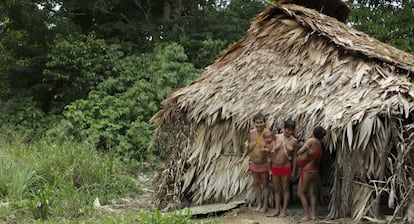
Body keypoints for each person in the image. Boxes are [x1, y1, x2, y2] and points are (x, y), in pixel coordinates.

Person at [238, 113, 271, 213]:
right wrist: (243, 157)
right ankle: (259, 204)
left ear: (264, 123)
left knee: (265, 184)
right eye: (257, 123)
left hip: (264, 163)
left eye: (261, 122)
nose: (259, 125)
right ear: (254, 123)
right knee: (256, 184)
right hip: (254, 162)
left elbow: (272, 147)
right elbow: (247, 145)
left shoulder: (268, 133)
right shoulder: (251, 133)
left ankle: (265, 206)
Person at [267, 119, 298, 217]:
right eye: (287, 129)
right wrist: (269, 169)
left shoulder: (294, 141)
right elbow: (270, 153)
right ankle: (277, 209)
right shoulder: (276, 137)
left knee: (285, 189)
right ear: (284, 128)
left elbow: (295, 157)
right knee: (277, 189)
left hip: (286, 167)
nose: (289, 132)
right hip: (275, 166)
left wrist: (293, 171)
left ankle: (284, 211)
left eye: (291, 130)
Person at [295, 126, 326, 221]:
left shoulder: (311, 141)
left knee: (300, 192)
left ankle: (306, 214)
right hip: (314, 170)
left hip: (307, 170)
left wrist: (301, 146)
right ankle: (313, 215)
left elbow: (300, 151)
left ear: (313, 132)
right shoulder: (320, 144)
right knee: (312, 193)